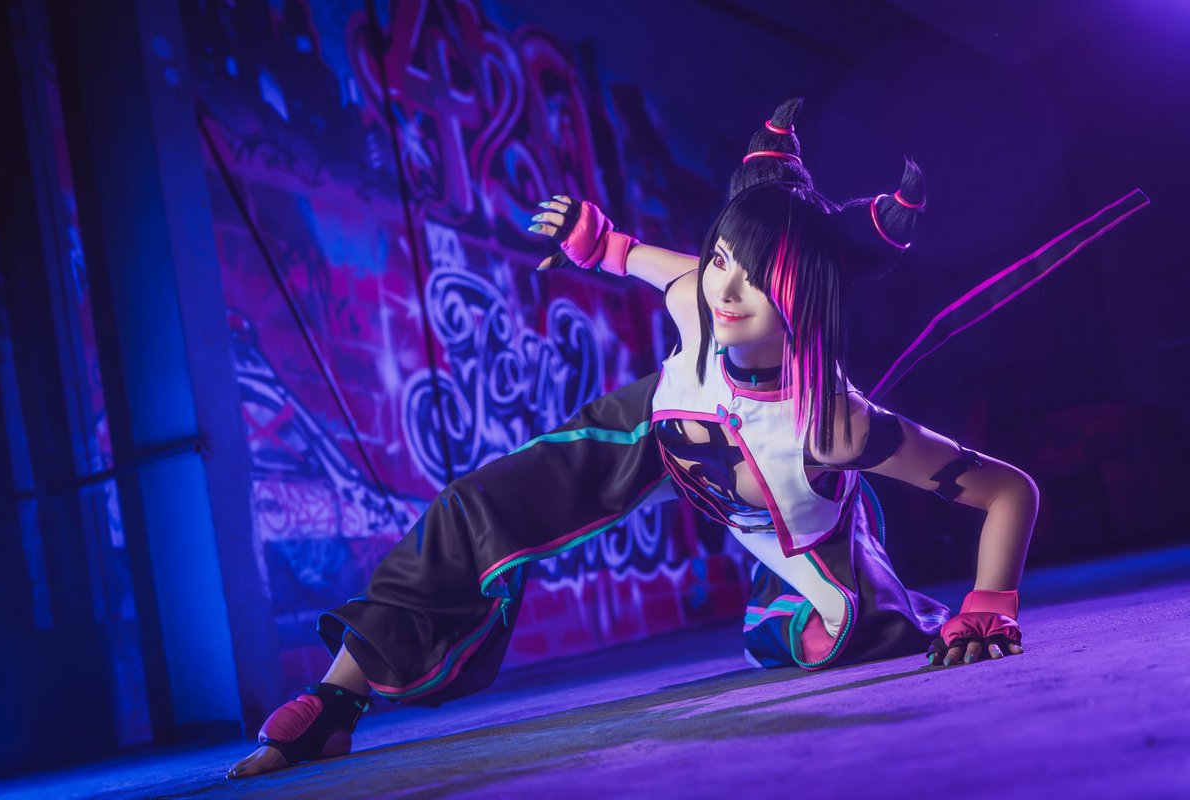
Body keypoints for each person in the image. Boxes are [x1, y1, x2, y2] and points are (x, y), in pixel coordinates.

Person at [226, 97, 1036, 781]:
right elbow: (621, 252)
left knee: (841, 638)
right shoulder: (696, 299)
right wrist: (593, 238)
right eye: (722, 258)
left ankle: (826, 600)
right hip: (664, 420)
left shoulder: (836, 427)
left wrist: (990, 604)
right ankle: (337, 698)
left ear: (810, 291)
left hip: (807, 559)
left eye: (759, 277)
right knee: (477, 505)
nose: (726, 288)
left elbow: (1009, 491)